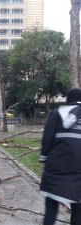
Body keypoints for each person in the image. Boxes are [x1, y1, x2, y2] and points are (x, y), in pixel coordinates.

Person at [39, 88, 81, 225]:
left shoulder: (57, 113)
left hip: (57, 165)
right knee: (78, 208)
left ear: (68, 100)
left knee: (51, 205)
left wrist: (44, 157)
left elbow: (47, 138)